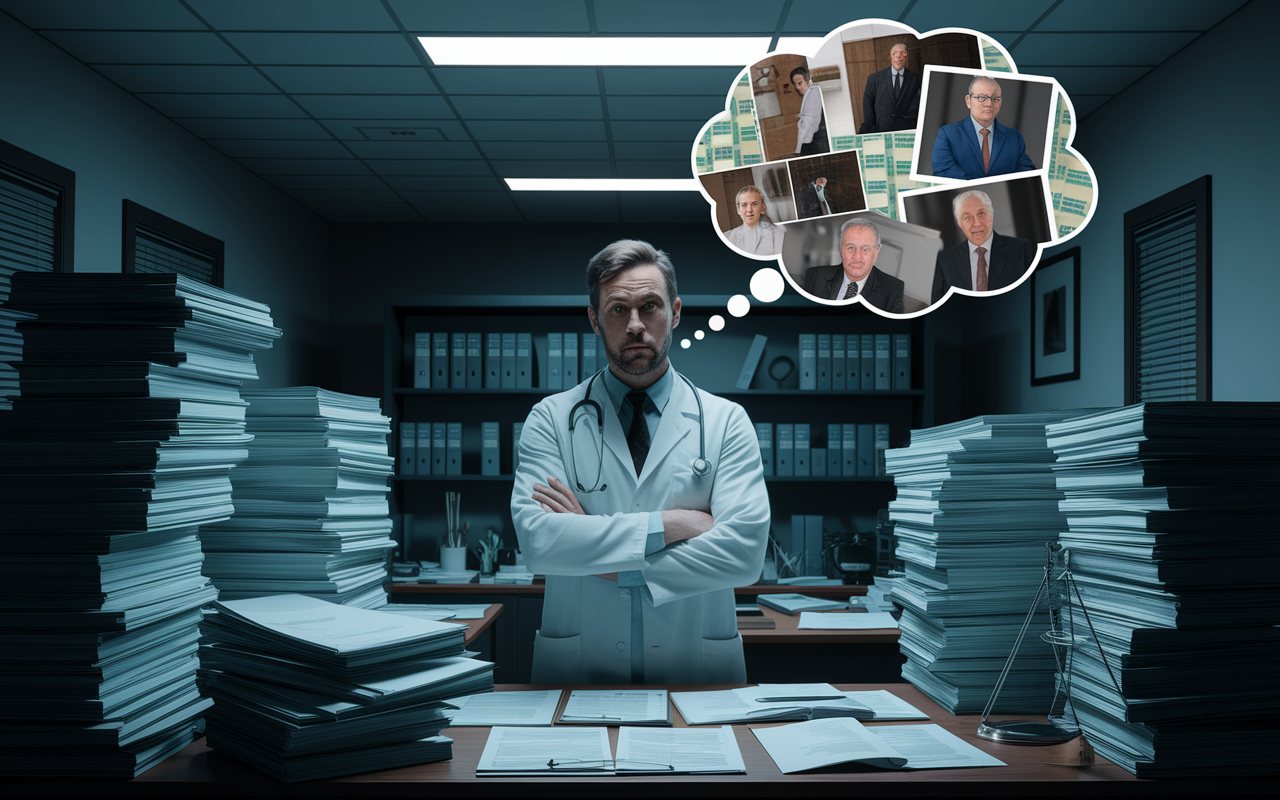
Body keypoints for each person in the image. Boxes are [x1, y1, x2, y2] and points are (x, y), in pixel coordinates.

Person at [511, 240, 771, 684]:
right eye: (617, 310)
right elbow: (539, 543)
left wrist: (600, 558)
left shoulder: (725, 421)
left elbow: (744, 554)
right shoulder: (551, 419)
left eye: (649, 306)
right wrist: (675, 524)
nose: (635, 326)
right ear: (595, 320)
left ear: (675, 312)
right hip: (578, 670)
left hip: (696, 672)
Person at [930, 189, 1038, 304]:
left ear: (991, 215)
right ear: (959, 224)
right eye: (968, 217)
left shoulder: (1023, 249)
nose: (977, 223)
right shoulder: (944, 260)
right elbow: (938, 308)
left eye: (981, 214)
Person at [930, 76, 1037, 180]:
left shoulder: (1015, 137)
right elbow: (942, 172)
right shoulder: (947, 134)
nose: (989, 104)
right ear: (968, 101)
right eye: (982, 97)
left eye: (995, 98)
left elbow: (1027, 174)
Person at [801, 218, 905, 313]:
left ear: (876, 251)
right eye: (851, 248)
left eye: (865, 249)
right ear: (841, 249)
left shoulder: (893, 289)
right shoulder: (814, 276)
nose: (857, 257)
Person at [859, 43, 921, 134]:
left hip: (905, 133)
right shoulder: (874, 78)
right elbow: (867, 106)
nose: (898, 56)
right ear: (890, 56)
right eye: (894, 53)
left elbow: (917, 106)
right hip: (881, 131)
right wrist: (871, 130)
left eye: (903, 53)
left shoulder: (915, 79)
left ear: (907, 56)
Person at [725, 185, 785, 255]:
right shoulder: (727, 238)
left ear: (763, 208)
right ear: (738, 209)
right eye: (744, 205)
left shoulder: (778, 234)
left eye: (754, 204)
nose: (749, 210)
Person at [792, 66, 829, 156]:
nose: (797, 87)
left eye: (800, 83)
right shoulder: (814, 91)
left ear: (808, 81)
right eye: (795, 84)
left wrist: (798, 150)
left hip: (819, 142)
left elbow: (808, 125)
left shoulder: (813, 93)